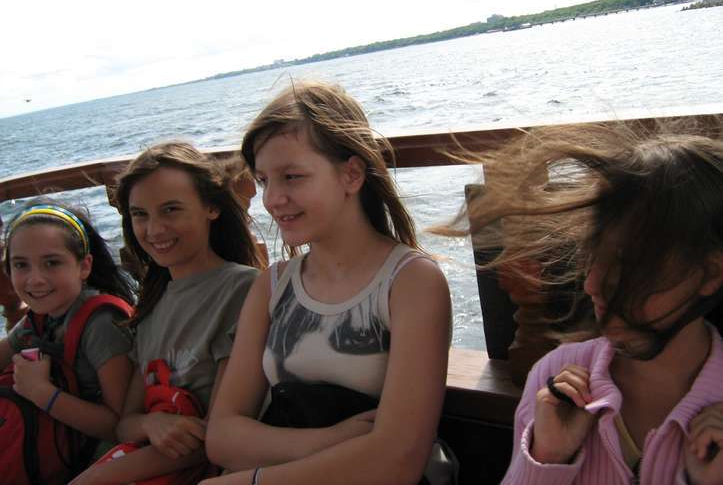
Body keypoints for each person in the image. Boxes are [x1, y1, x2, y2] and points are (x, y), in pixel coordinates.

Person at [202, 81, 452, 485]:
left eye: (292, 176)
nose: (272, 199)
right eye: (264, 180)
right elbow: (222, 437)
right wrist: (331, 441)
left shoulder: (409, 282)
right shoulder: (272, 286)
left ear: (351, 174)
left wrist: (251, 481)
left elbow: (399, 459)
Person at [445, 122, 723, 484]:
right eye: (593, 255)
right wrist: (546, 457)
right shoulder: (554, 377)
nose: (592, 284)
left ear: (709, 273)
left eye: (627, 263)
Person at [72, 142, 265, 484]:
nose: (154, 230)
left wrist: (94, 479)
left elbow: (216, 436)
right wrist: (151, 423)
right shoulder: (152, 305)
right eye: (140, 214)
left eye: (171, 210)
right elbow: (126, 423)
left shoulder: (243, 290)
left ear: (211, 207)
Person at [0, 201, 135, 469]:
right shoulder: (40, 317)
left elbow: (121, 425)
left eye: (52, 263)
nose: (35, 279)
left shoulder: (102, 324)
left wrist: (41, 392)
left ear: (84, 266)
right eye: (21, 265)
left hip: (96, 461)